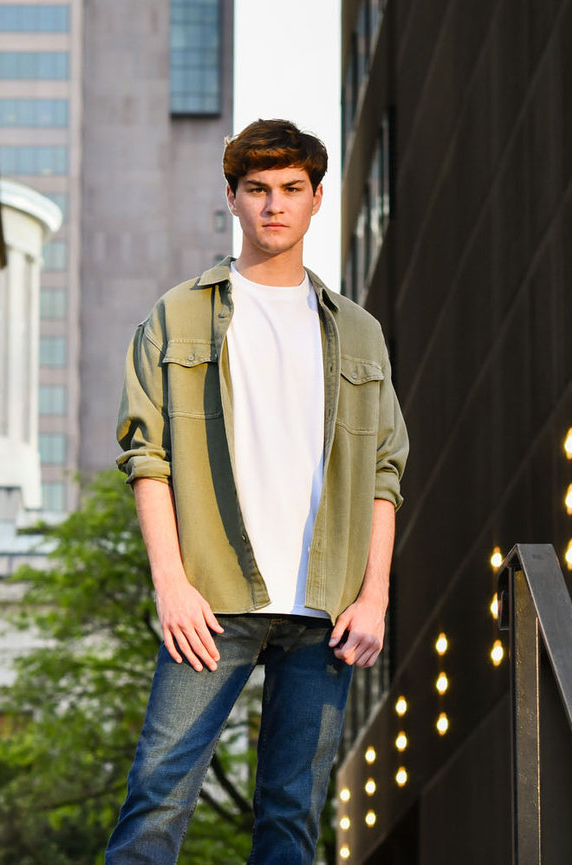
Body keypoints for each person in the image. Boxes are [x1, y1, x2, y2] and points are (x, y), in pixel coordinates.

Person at [107, 118, 408, 864]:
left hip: (325, 606)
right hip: (209, 598)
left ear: (315, 199)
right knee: (156, 799)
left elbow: (384, 470)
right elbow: (147, 457)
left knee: (292, 819)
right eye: (258, 190)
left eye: (291, 190)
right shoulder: (178, 314)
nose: (275, 205)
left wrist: (374, 595)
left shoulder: (360, 333)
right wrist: (171, 582)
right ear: (234, 200)